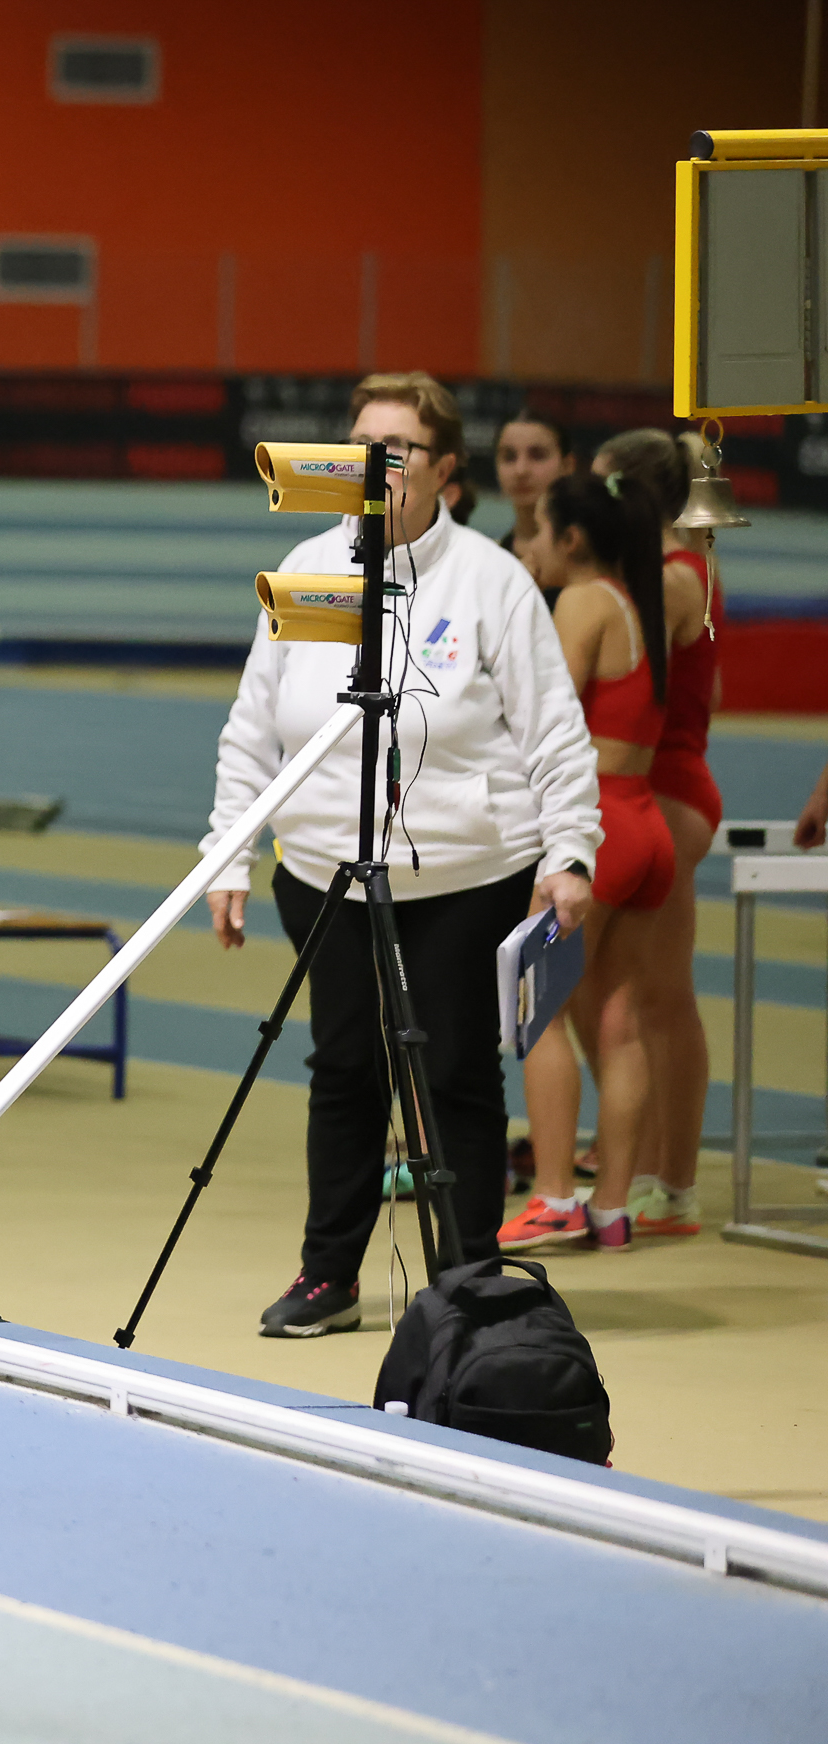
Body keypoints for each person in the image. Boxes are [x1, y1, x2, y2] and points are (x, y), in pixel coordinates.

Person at [206, 372, 597, 1337]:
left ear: (445, 470)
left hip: (469, 874)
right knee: (344, 1069)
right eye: (359, 450)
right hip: (324, 872)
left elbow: (554, 731)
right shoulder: (307, 568)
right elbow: (253, 728)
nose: (374, 469)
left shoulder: (492, 582)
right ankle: (327, 1276)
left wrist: (570, 851)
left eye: (399, 451)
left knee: (456, 1070)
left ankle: (465, 1281)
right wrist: (228, 855)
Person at [499, 469, 691, 1254]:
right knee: (618, 1020)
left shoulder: (580, 600)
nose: (533, 545)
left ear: (571, 539)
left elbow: (546, 715)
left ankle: (553, 1196)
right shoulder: (639, 599)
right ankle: (611, 1208)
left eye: (541, 532)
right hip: (646, 824)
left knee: (535, 1006)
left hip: (600, 826)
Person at [600, 428, 719, 1236]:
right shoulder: (688, 566)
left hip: (669, 791)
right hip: (670, 785)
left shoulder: (674, 579)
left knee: (658, 1000)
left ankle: (672, 1183)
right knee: (652, 998)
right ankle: (656, 1175)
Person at [492, 412, 571, 584]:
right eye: (509, 457)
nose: (521, 470)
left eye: (537, 455)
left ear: (567, 465)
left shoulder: (591, 563)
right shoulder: (488, 561)